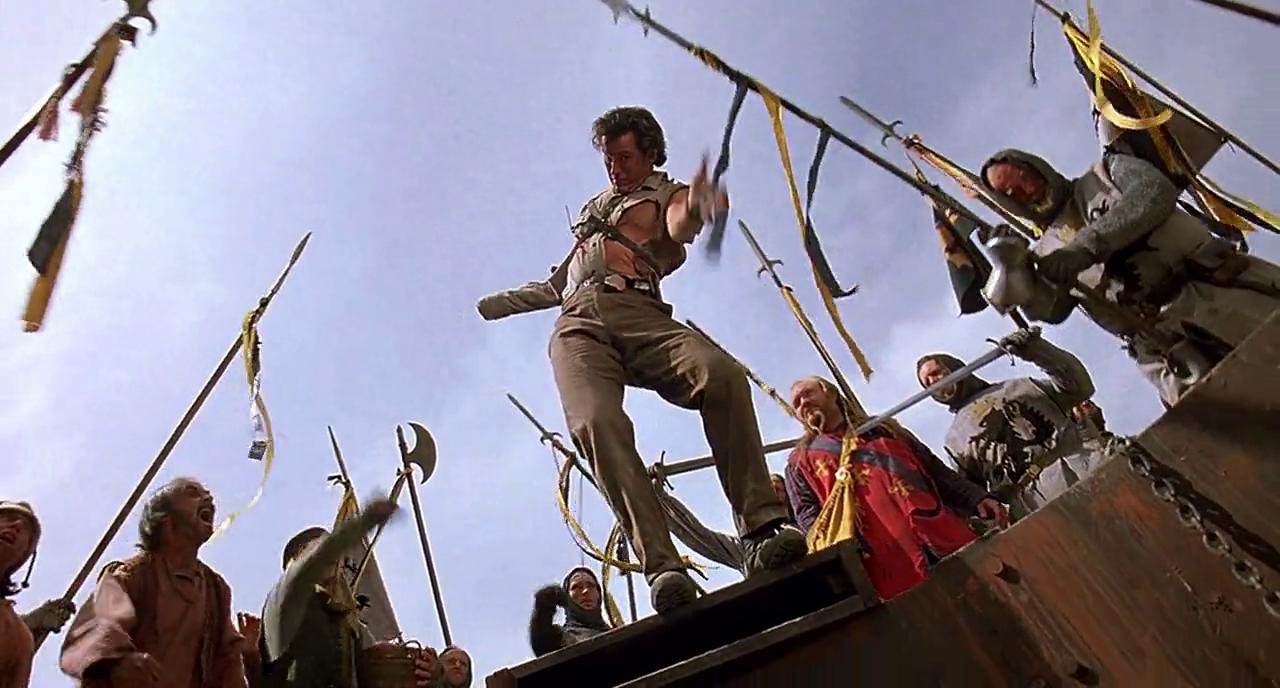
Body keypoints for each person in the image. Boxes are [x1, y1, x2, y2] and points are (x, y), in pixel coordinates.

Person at [477, 106, 804, 612]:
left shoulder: (667, 193)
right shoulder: (594, 209)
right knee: (595, 422)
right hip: (578, 325)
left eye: (625, 157)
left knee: (721, 376)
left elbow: (678, 222)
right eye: (609, 159)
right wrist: (495, 304)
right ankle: (663, 566)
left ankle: (761, 529)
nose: (616, 168)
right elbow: (555, 284)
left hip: (639, 311)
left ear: (650, 153)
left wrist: (698, 205)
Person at [978, 147, 1280, 407]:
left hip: (1217, 290)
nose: (1025, 190)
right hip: (1163, 347)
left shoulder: (1105, 173)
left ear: (1036, 166)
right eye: (1011, 194)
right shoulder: (1045, 252)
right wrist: (1013, 265)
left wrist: (1086, 247)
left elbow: (1154, 193)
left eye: (1023, 176)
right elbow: (1049, 310)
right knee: (1234, 426)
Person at [785, 377, 1006, 600]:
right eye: (797, 403)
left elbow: (936, 470)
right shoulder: (799, 462)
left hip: (940, 532)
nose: (803, 402)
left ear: (831, 393)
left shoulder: (884, 428)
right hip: (884, 562)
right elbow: (810, 520)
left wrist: (976, 497)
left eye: (808, 393)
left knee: (989, 599)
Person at [60, 478, 248, 688]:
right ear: (166, 521)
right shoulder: (134, 574)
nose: (209, 497)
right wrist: (118, 664)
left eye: (206, 493)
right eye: (192, 492)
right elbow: (98, 626)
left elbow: (227, 660)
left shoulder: (216, 590)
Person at [917, 328, 1105, 519]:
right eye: (927, 384)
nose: (934, 382)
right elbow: (973, 496)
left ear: (953, 367)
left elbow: (1080, 388)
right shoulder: (955, 440)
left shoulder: (1020, 386)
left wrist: (1038, 351)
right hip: (1035, 503)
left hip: (1085, 464)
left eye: (936, 372)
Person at [250, 498, 435, 688]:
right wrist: (365, 522)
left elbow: (374, 664)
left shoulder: (349, 626)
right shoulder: (283, 603)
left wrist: (435, 675)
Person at [650, 472, 796, 576]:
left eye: (779, 489)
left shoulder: (801, 528)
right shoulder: (744, 549)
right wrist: (659, 496)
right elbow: (698, 535)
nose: (774, 494)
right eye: (769, 490)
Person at [1, 500, 52, 688]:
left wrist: (31, 627)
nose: (17, 525)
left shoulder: (18, 637)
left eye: (27, 531)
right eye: (8, 518)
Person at [529, 567, 612, 657]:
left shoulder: (616, 633)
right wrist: (544, 607)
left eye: (591, 586)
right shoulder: (561, 638)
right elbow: (541, 644)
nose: (585, 591)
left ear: (599, 594)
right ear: (567, 596)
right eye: (576, 587)